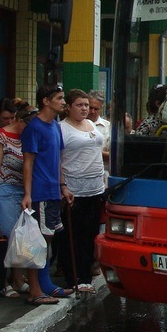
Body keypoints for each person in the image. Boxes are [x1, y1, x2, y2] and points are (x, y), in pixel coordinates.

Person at [21, 83, 74, 305]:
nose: (63, 102)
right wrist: (27, 194)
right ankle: (34, 290)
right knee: (37, 242)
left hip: (53, 191)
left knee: (48, 239)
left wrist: (63, 186)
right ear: (46, 101)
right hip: (39, 192)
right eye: (60, 98)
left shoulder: (54, 126)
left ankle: (46, 285)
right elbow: (28, 163)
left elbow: (58, 159)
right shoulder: (34, 127)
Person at [0, 101, 40, 298]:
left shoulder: (28, 136)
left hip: (22, 191)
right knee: (7, 236)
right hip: (5, 190)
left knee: (21, 238)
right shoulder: (1, 137)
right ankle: (3, 281)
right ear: (20, 120)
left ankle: (18, 279)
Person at [58, 89, 104, 294]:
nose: (85, 109)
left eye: (86, 105)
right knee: (72, 236)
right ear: (68, 107)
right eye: (79, 105)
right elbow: (56, 160)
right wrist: (63, 186)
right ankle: (73, 278)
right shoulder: (61, 129)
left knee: (90, 234)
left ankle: (85, 276)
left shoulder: (92, 125)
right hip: (74, 190)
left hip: (96, 188)